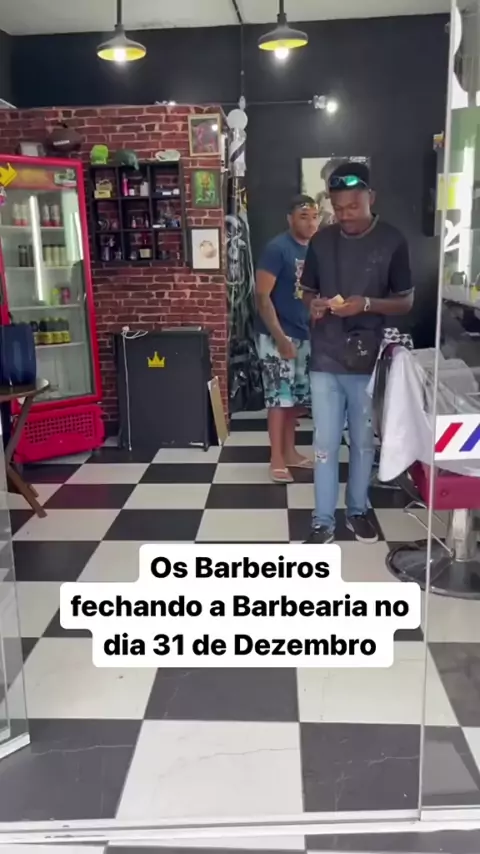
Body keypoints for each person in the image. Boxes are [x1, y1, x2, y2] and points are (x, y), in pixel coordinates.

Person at [301, 162, 413, 543]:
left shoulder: (392, 241)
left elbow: (406, 301)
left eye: (353, 206)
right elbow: (307, 291)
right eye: (338, 208)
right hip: (325, 356)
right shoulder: (321, 241)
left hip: (367, 358)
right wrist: (315, 305)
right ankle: (322, 520)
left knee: (363, 443)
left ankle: (358, 510)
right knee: (325, 443)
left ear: (371, 198)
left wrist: (366, 304)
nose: (345, 215)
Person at [255, 195, 319, 483]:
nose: (311, 222)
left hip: (303, 333)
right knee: (279, 399)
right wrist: (280, 338)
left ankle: (291, 453)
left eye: (315, 216)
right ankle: (277, 460)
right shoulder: (277, 248)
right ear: (290, 219)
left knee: (294, 400)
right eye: (304, 216)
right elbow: (262, 296)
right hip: (276, 335)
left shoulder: (315, 249)